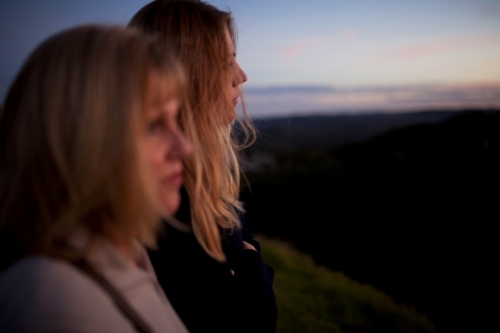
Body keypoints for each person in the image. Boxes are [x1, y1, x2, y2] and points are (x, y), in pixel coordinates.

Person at [0, 25, 193, 333]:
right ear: (78, 140)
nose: (184, 146)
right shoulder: (53, 303)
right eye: (153, 125)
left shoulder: (124, 248)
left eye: (175, 119)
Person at [129, 1, 277, 332]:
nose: (241, 76)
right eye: (227, 63)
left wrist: (247, 262)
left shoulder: (205, 171)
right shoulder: (170, 199)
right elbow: (253, 324)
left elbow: (244, 235)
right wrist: (254, 262)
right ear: (189, 74)